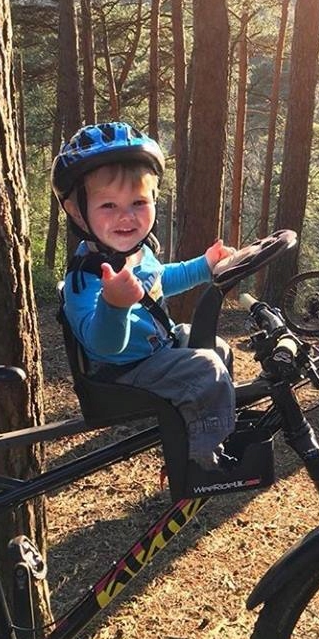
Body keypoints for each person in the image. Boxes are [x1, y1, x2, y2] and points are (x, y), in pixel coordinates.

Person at [52, 121, 238, 473]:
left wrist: (205, 265)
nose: (127, 216)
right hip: (123, 371)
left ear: (154, 199)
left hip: (156, 350)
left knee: (216, 347)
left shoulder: (138, 253)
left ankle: (203, 426)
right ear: (77, 212)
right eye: (108, 205)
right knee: (206, 369)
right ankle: (199, 460)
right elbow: (104, 346)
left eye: (139, 202)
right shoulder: (85, 278)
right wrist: (114, 306)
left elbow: (160, 281)